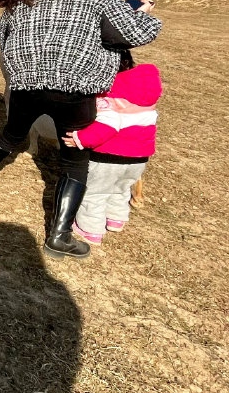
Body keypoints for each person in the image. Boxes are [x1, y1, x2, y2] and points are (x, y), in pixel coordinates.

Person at [0, 0, 162, 258]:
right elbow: (133, 34)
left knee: (11, 136)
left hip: (26, 84)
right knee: (74, 159)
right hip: (76, 90)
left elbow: (3, 35)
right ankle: (58, 237)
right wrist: (146, 16)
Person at [67, 26, 162, 246]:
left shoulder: (111, 94)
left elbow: (108, 124)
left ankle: (89, 229)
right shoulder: (144, 95)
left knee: (96, 193)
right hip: (139, 159)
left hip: (109, 156)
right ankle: (117, 219)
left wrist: (80, 139)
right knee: (120, 189)